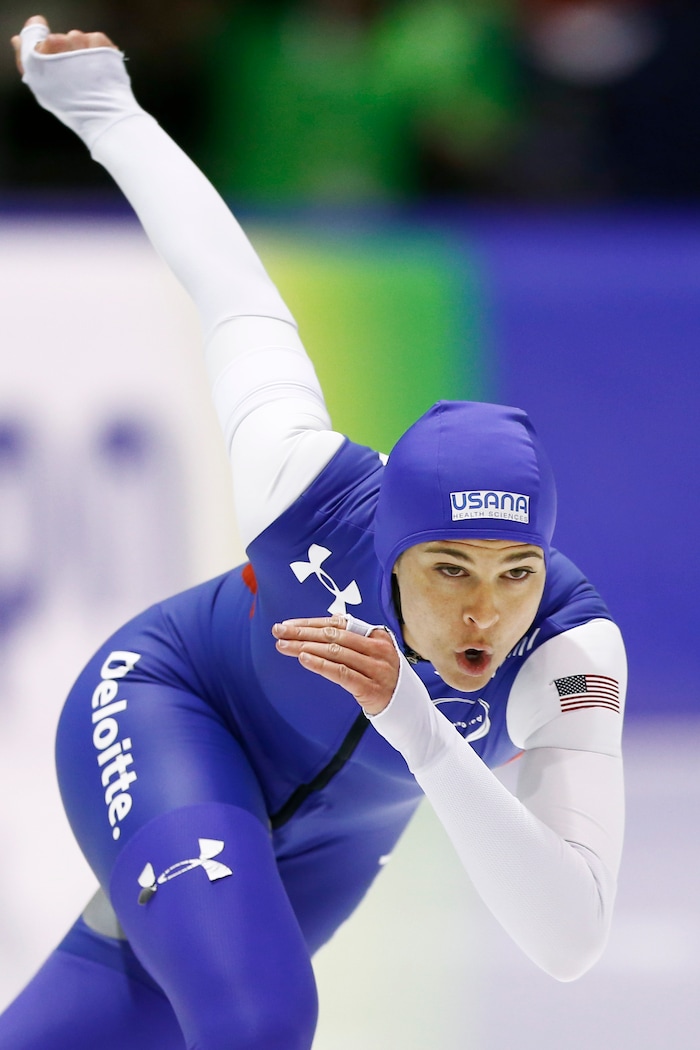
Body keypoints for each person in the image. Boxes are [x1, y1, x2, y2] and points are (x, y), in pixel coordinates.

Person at [1, 15, 626, 1050]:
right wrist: (103, 109)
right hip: (174, 713)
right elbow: (230, 288)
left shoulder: (569, 652)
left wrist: (418, 727)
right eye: (449, 568)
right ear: (389, 548)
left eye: (517, 570)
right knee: (258, 1020)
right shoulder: (303, 486)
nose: (486, 610)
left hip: (344, 831)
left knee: (122, 1023)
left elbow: (569, 938)